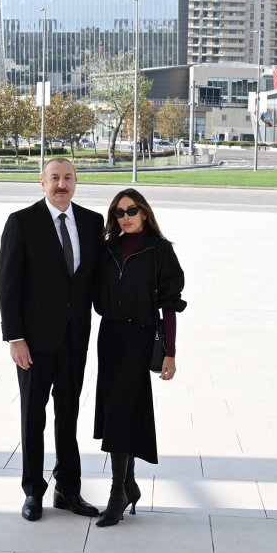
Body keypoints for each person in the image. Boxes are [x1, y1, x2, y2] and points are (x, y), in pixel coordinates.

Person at [0, 157, 104, 521]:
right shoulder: (21, 223)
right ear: (41, 183)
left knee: (68, 415)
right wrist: (15, 338)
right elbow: (8, 285)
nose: (62, 185)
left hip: (75, 339)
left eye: (68, 178)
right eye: (54, 178)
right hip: (34, 343)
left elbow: (96, 280)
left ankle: (68, 490)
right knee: (33, 417)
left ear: (77, 182)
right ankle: (32, 492)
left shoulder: (92, 223)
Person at [91, 187, 186, 527]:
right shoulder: (107, 249)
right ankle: (129, 484)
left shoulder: (160, 251)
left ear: (144, 212)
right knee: (118, 409)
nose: (126, 217)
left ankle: (118, 492)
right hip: (110, 336)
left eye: (132, 210)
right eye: (119, 212)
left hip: (140, 337)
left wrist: (170, 353)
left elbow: (170, 306)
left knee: (121, 410)